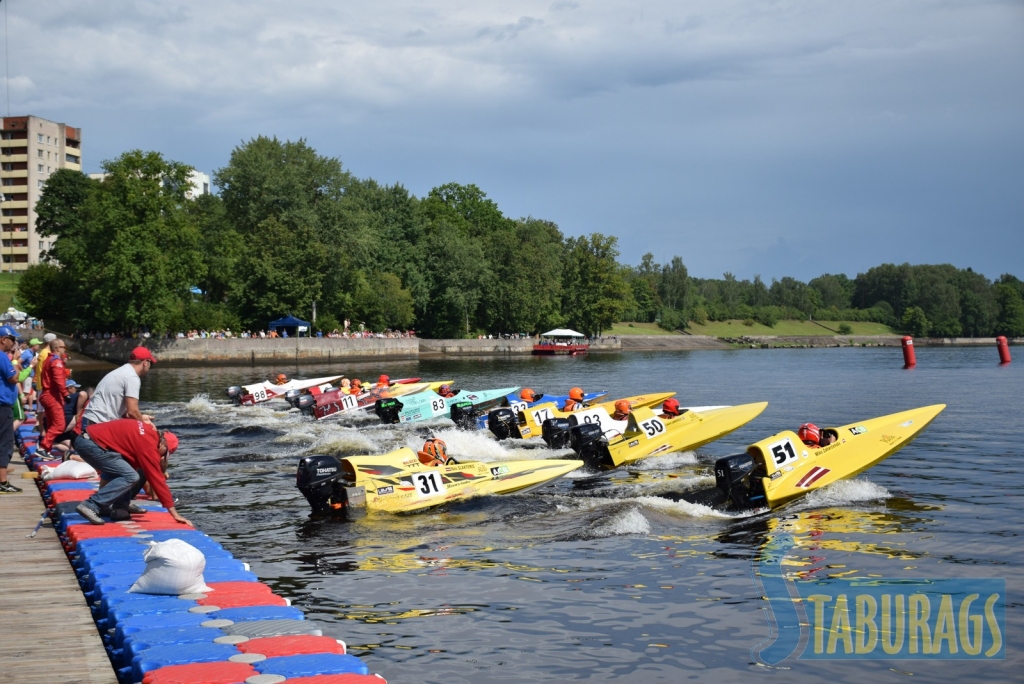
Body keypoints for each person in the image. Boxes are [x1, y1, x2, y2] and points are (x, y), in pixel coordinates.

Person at [74, 418, 190, 526]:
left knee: (124, 471)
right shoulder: (149, 446)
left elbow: (129, 465)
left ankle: (119, 510)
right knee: (131, 477)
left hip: (88, 440)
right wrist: (175, 514)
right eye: (164, 454)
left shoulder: (147, 433)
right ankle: (91, 505)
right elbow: (157, 481)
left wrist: (123, 506)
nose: (161, 457)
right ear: (163, 444)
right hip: (91, 444)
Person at [80, 346, 157, 436]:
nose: (150, 366)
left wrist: (142, 418)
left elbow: (125, 413)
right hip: (99, 423)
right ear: (145, 363)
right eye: (150, 363)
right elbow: (132, 411)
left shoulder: (121, 371)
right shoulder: (132, 377)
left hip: (90, 420)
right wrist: (145, 427)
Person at [0, 326, 22, 493]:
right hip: (2, 406)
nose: (15, 343)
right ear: (3, 339)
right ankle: (2, 482)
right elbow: (14, 378)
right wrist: (15, 360)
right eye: (13, 340)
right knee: (5, 443)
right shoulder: (2, 356)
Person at [39, 338, 70, 452]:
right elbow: (59, 380)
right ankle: (42, 448)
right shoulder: (56, 361)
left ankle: (46, 449)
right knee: (59, 425)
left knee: (52, 424)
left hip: (46, 395)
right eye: (63, 348)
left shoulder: (48, 359)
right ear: (57, 348)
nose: (64, 350)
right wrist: (66, 394)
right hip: (52, 396)